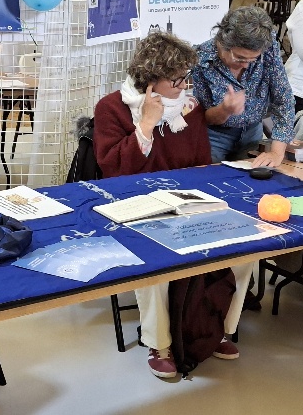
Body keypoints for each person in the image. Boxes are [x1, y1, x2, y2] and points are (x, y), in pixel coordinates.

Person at [94, 31, 255, 379]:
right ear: (150, 80)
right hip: (134, 205)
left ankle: (218, 328)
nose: (184, 86)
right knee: (152, 261)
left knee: (246, 251)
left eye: (186, 77)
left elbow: (200, 165)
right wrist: (146, 124)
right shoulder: (111, 108)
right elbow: (115, 171)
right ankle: (159, 343)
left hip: (184, 204)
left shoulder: (188, 109)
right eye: (176, 79)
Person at [192, 5, 295, 166]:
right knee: (210, 176)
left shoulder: (267, 48)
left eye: (253, 60)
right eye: (240, 58)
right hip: (215, 137)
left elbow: (284, 100)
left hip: (253, 132)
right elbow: (204, 117)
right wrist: (225, 110)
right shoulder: (202, 59)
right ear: (223, 43)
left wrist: (276, 153)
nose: (246, 65)